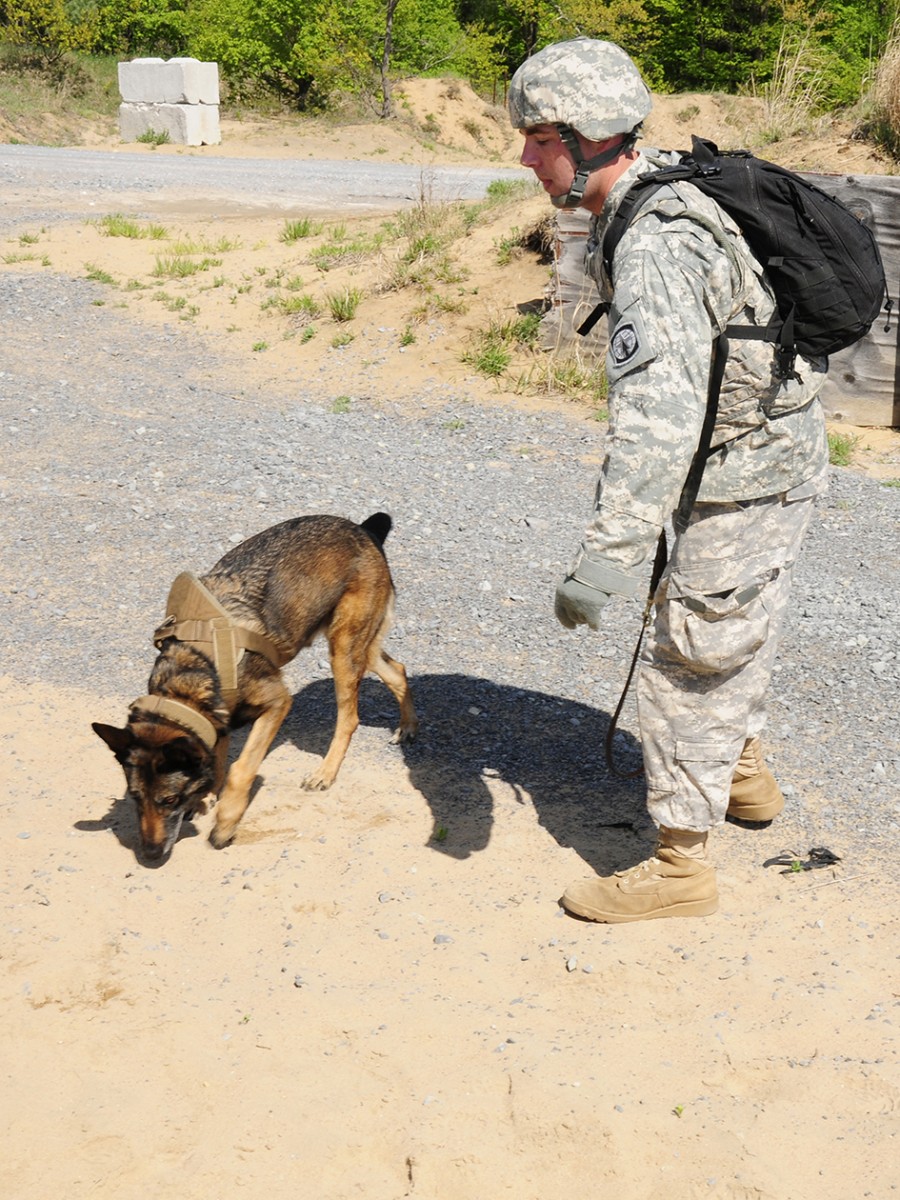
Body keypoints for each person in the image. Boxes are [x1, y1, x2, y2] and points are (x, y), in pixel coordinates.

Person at [508, 38, 829, 922]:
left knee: (690, 653)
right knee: (733, 625)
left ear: (586, 134)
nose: (527, 157)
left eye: (539, 139)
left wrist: (606, 561)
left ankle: (681, 867)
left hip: (740, 474)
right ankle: (743, 773)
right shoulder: (673, 188)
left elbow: (659, 423)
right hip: (778, 459)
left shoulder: (655, 244)